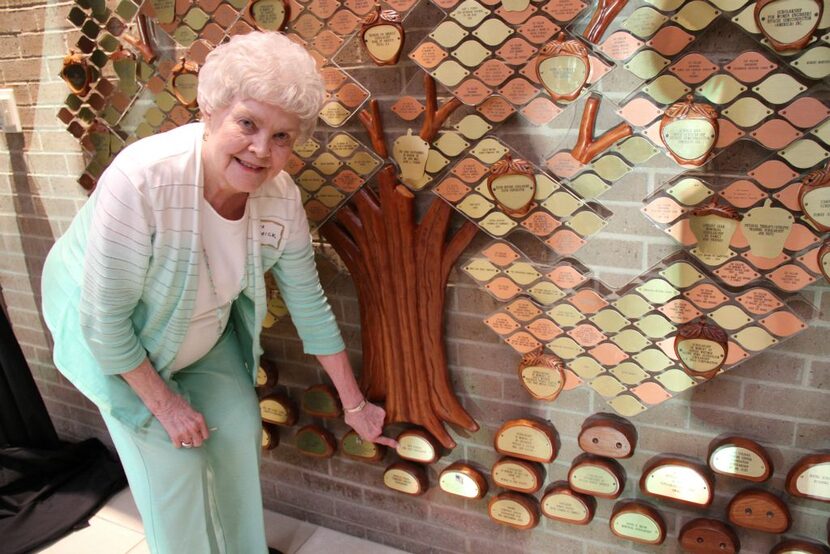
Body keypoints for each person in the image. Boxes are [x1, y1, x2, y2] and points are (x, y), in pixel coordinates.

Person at [41, 31, 396, 554]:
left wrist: (354, 405)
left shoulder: (280, 198)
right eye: (248, 123)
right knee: (176, 468)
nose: (262, 150)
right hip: (116, 345)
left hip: (200, 335)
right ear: (210, 110)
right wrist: (166, 407)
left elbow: (308, 303)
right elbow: (104, 320)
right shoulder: (144, 178)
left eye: (282, 137)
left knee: (237, 437)